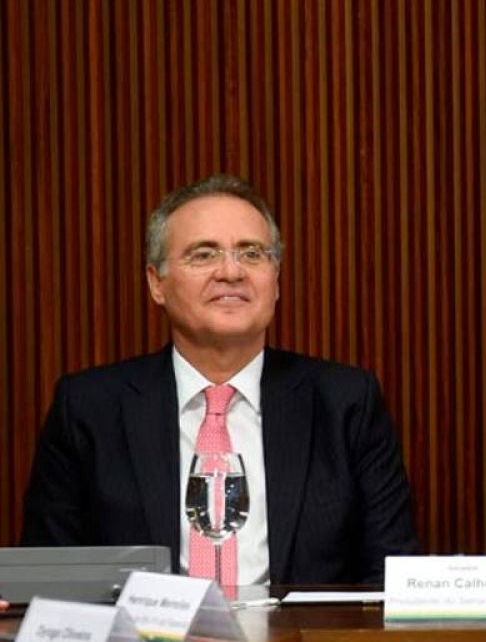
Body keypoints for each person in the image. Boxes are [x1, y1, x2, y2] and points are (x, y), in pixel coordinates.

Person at [22, 174, 420, 585]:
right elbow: (49, 581)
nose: (231, 272)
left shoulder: (346, 403)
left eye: (252, 254)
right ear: (156, 283)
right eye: (203, 255)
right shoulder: (89, 408)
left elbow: (390, 579)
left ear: (276, 280)